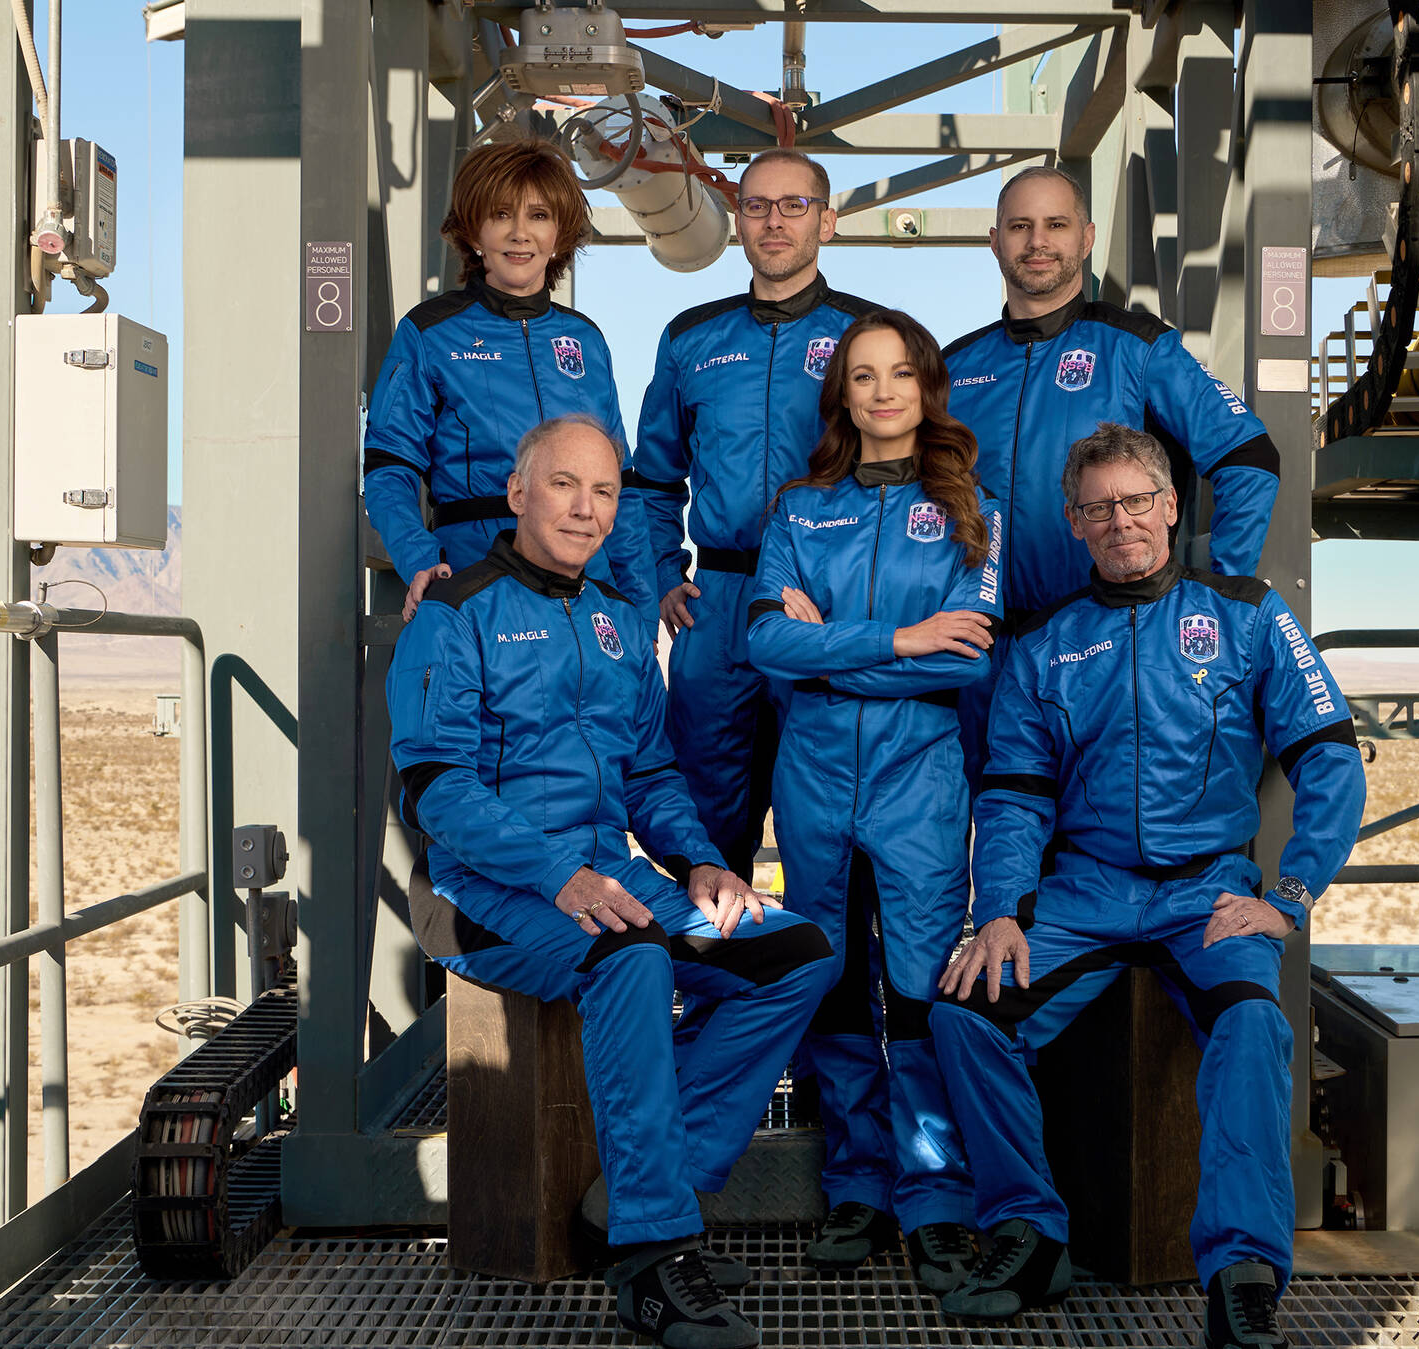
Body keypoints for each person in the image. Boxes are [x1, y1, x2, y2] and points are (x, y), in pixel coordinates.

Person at [388, 414, 837, 1349]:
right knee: (631, 957)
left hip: (615, 877)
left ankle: (641, 1185)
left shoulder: (619, 623)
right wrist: (559, 875)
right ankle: (652, 1255)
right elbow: (438, 790)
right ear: (518, 493)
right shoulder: (454, 613)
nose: (586, 509)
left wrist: (704, 863)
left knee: (792, 953)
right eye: (564, 486)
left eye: (603, 492)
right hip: (487, 891)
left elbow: (651, 776)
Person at [929, 423, 1365, 1349]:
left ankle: (1242, 1276)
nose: (1120, 520)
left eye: (1136, 501)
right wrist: (999, 911)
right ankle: (1029, 1229)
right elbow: (1012, 793)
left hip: (1207, 891)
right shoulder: (1046, 642)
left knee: (1252, 1023)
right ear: (1074, 522)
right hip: (1083, 892)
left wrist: (1289, 892)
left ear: (1172, 506)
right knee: (966, 1011)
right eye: (1098, 507)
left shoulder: (1247, 614)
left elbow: (1330, 757)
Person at [745, 311, 1002, 1292]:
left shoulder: (971, 508)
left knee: (918, 985)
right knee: (836, 978)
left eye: (899, 373)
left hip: (919, 774)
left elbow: (968, 652)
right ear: (841, 395)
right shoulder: (800, 509)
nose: (883, 390)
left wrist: (829, 650)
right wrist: (898, 640)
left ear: (924, 387)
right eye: (862, 375)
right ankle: (855, 1180)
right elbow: (764, 644)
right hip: (811, 778)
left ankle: (934, 1193)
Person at [943, 166, 1281, 774]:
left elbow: (1248, 457)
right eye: (1020, 226)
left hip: (1101, 647)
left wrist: (1214, 598)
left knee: (1092, 839)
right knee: (990, 829)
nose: (1037, 241)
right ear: (994, 240)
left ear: (1088, 237)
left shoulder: (1138, 348)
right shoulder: (955, 367)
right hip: (981, 652)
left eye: (1056, 225)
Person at [625, 148, 885, 878]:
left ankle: (837, 996)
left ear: (826, 222)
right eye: (756, 206)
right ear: (736, 220)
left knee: (832, 822)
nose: (774, 221)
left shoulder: (871, 336)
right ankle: (712, 986)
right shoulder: (691, 338)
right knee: (703, 817)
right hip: (720, 604)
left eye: (794, 205)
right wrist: (660, 577)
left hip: (826, 603)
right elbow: (650, 480)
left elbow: (912, 476)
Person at [364, 139, 650, 623]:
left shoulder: (585, 340)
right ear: (474, 230)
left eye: (538, 216)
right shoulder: (430, 331)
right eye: (501, 215)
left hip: (586, 588)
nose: (520, 234)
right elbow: (389, 466)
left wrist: (640, 609)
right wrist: (422, 562)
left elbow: (620, 486)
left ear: (559, 234)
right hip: (475, 577)